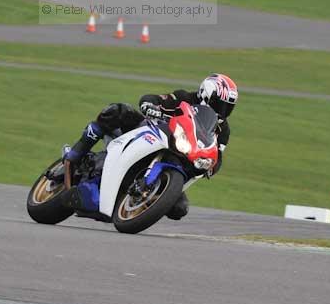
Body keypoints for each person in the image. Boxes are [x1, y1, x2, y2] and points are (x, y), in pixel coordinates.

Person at [64, 74, 238, 220]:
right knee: (117, 111)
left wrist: (211, 167)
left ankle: (132, 206)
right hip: (150, 132)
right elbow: (155, 99)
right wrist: (150, 106)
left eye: (228, 107)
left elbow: (218, 153)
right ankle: (76, 154)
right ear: (205, 94)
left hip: (179, 156)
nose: (223, 110)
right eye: (219, 103)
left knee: (180, 208)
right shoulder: (184, 97)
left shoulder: (223, 130)